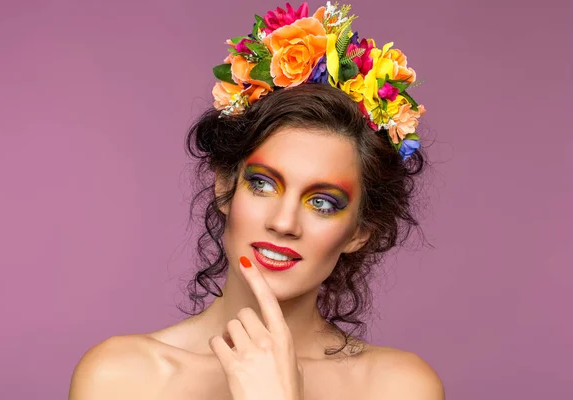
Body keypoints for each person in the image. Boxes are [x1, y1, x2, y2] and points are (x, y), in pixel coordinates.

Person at [69, 2, 444, 399]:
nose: (283, 223)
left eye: (322, 203)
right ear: (224, 187)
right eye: (264, 184)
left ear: (360, 232)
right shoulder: (121, 378)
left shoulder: (398, 387)